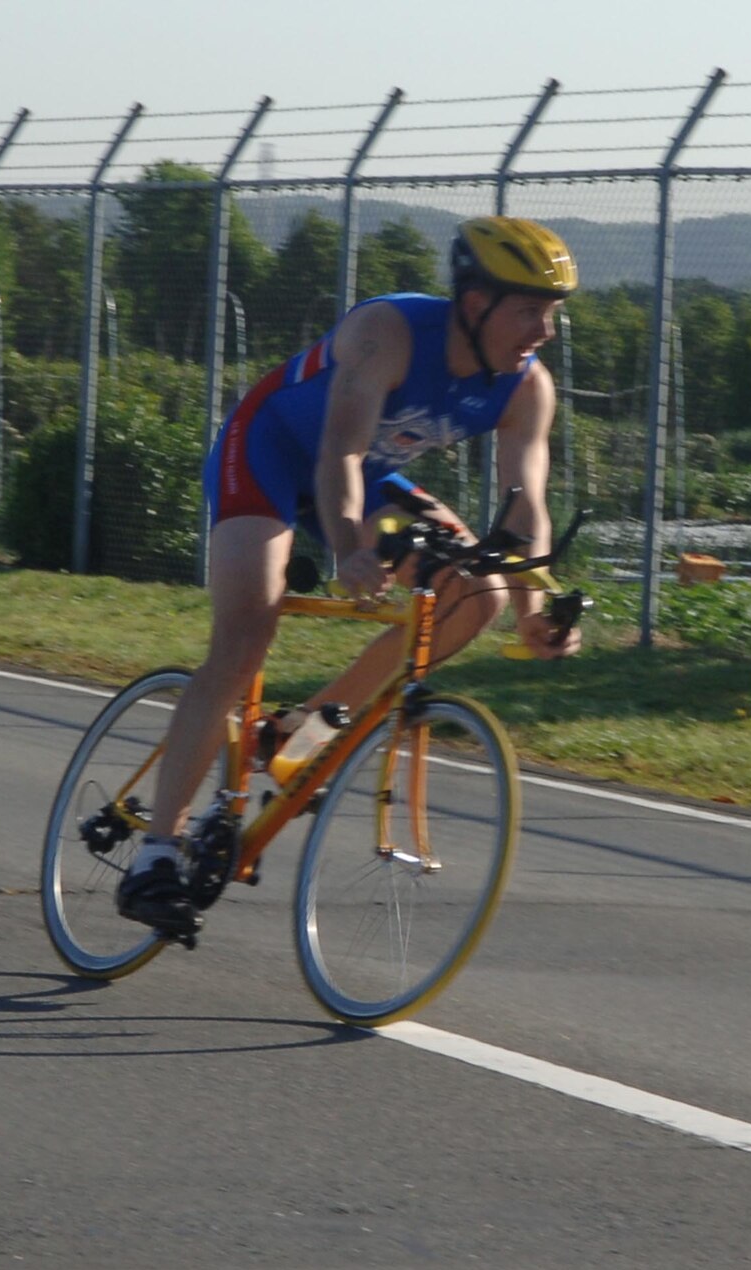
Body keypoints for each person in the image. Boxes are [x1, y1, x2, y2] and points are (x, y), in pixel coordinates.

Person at [116, 216, 584, 936]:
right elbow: (336, 451)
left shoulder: (528, 386)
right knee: (247, 636)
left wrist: (534, 607)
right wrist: (347, 549)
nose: (544, 329)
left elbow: (526, 510)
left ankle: (298, 734)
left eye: (551, 312)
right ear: (475, 302)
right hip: (271, 454)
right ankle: (156, 851)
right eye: (530, 309)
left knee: (474, 595)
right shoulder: (388, 331)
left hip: (370, 480)